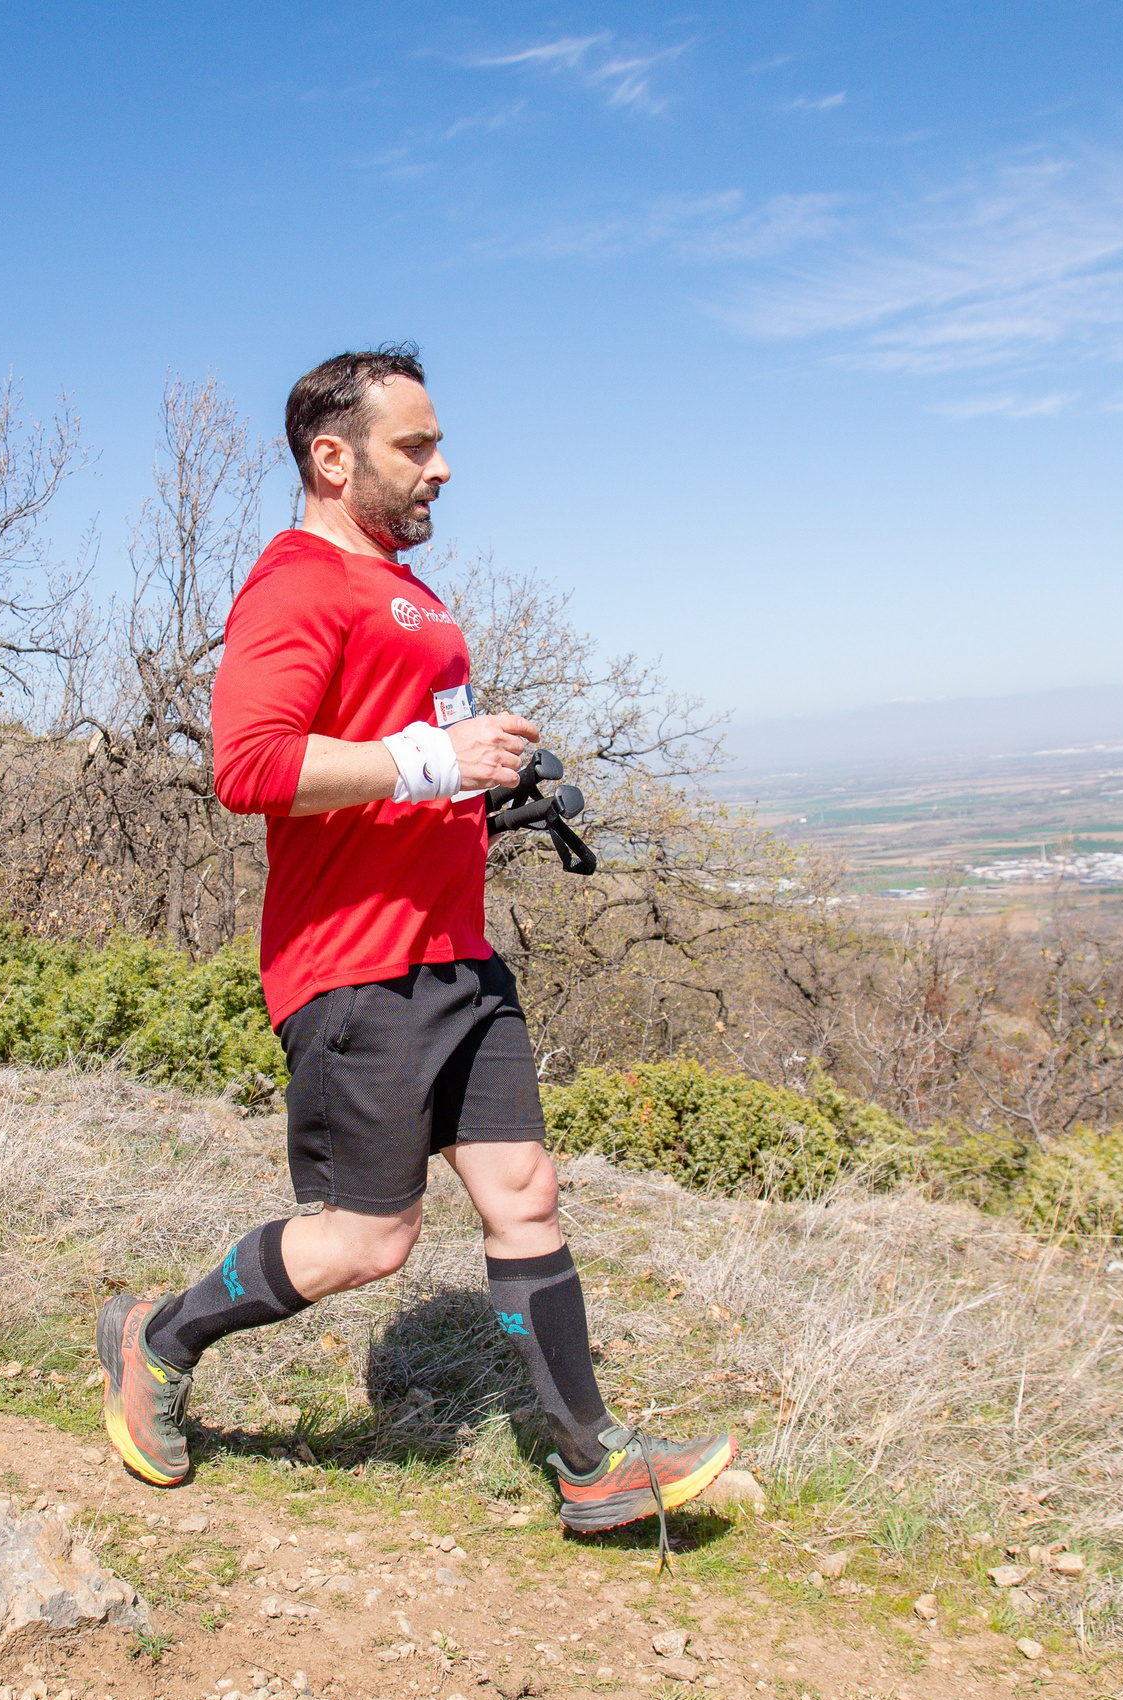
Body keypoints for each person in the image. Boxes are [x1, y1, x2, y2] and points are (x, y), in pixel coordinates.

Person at [94, 345, 733, 1533]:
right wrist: (436, 759)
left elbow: (393, 764)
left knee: (524, 1190)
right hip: (355, 965)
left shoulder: (412, 595)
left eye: (439, 444)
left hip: (454, 954)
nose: (443, 467)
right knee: (366, 1242)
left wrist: (479, 792)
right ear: (332, 459)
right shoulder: (295, 584)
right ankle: (156, 1339)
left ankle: (593, 1464)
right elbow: (248, 767)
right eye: (416, 446)